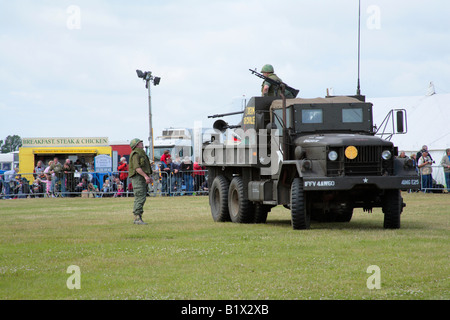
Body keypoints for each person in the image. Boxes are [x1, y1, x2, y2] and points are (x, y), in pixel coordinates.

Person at [129, 138, 153, 225]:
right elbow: (137, 168)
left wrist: (148, 176)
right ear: (136, 145)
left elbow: (144, 167)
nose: (142, 143)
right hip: (138, 179)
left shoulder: (142, 153)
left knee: (142, 197)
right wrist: (146, 176)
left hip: (142, 178)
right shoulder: (136, 153)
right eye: (140, 142)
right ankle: (137, 218)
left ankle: (138, 217)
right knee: (140, 197)